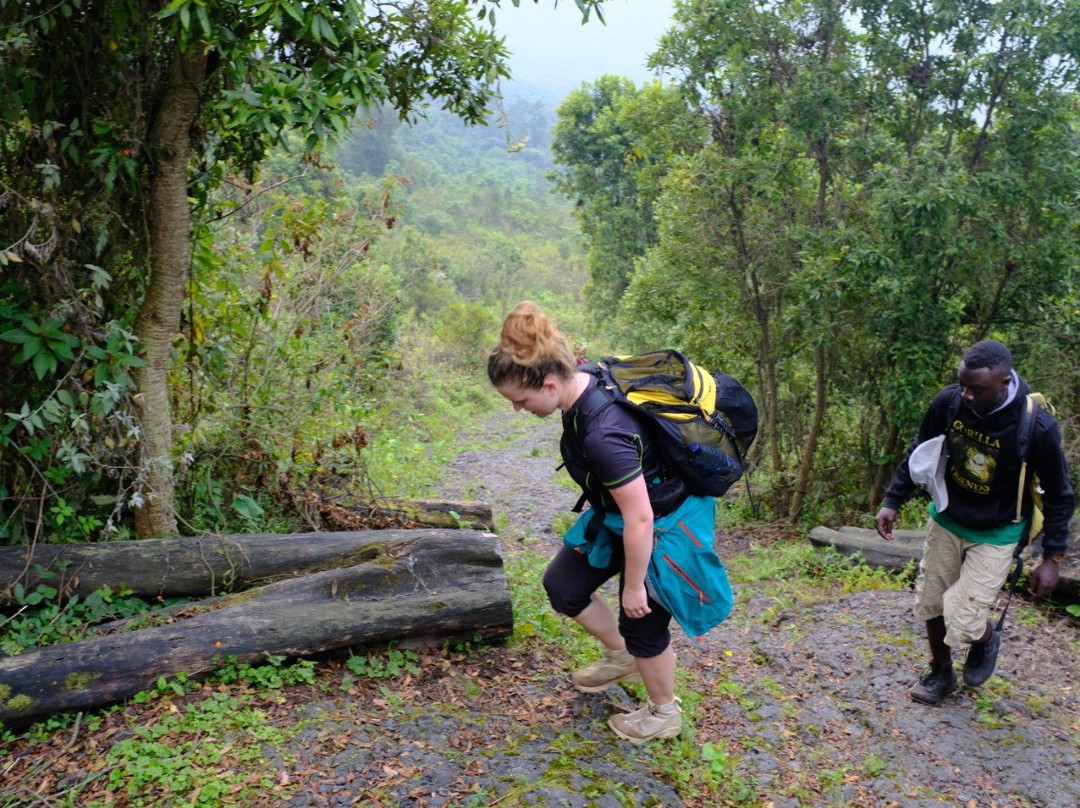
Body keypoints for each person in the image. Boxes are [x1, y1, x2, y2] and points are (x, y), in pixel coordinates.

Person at [487, 301, 716, 744]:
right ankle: (623, 658)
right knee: (564, 586)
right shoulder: (580, 382)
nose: (516, 408)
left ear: (549, 384)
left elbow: (641, 518)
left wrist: (634, 587)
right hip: (618, 515)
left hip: (663, 524)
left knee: (642, 621)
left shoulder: (604, 434)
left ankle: (664, 713)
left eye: (520, 400)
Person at [875, 340, 1074, 705]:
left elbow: (1059, 494)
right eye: (962, 385)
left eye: (976, 389)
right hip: (948, 518)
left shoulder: (1037, 427)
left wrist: (1052, 557)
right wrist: (893, 500)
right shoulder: (950, 402)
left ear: (1003, 383)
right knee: (932, 602)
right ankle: (941, 671)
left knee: (963, 618)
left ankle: (985, 637)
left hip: (997, 533)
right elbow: (921, 448)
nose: (966, 395)